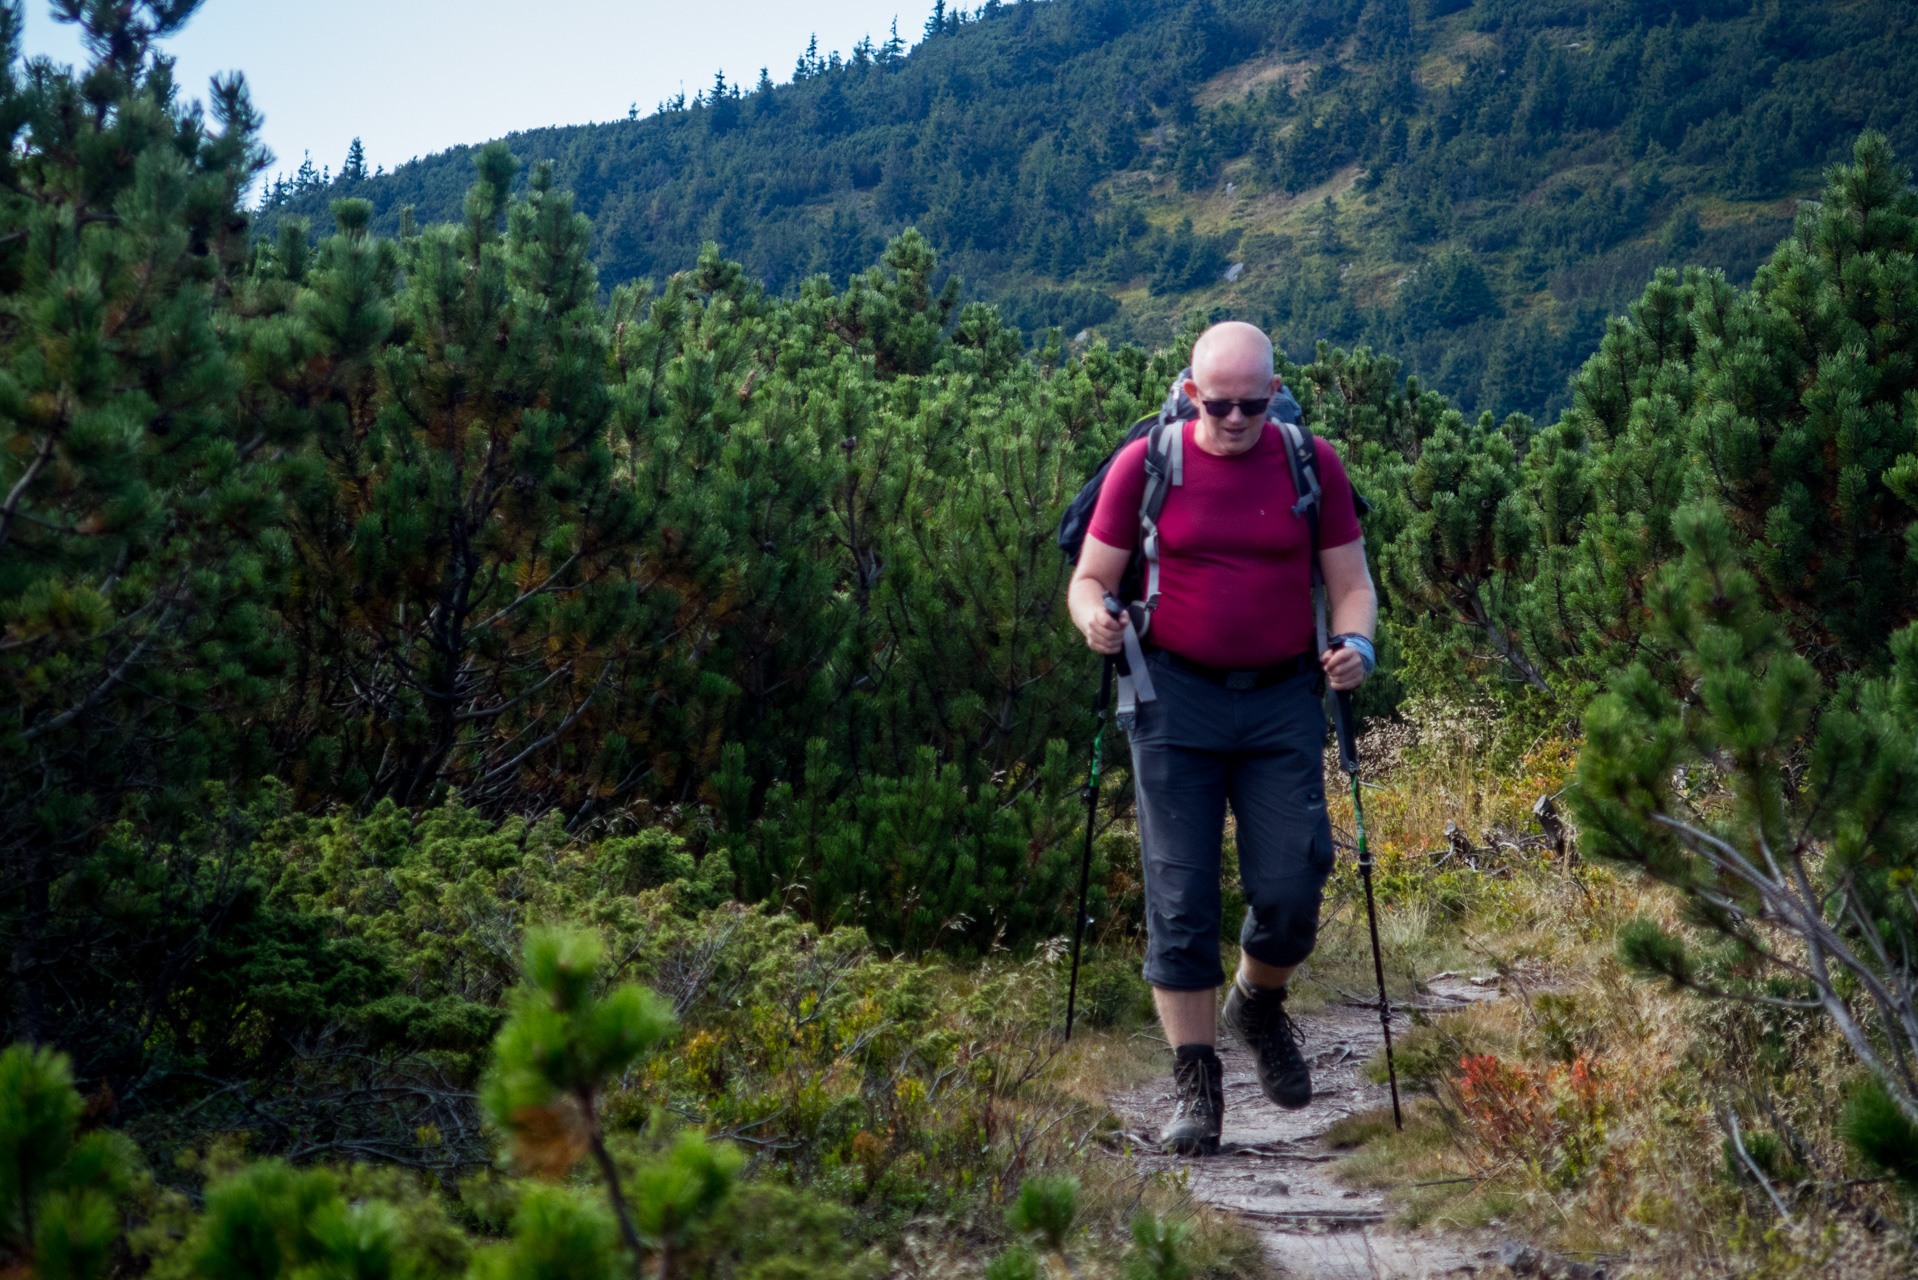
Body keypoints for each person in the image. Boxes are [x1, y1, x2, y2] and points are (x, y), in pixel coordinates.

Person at [1067, 321, 1376, 1156]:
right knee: (1180, 899)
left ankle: (1258, 1003)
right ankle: (1196, 1092)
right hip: (1172, 698)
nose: (1234, 420)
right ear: (1189, 390)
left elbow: (1350, 584)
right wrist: (1096, 617)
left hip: (1282, 700)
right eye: (1218, 403)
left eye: (1251, 403)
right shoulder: (1148, 464)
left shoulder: (1313, 462)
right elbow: (1091, 575)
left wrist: (1358, 647)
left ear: (1275, 394)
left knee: (1291, 883)